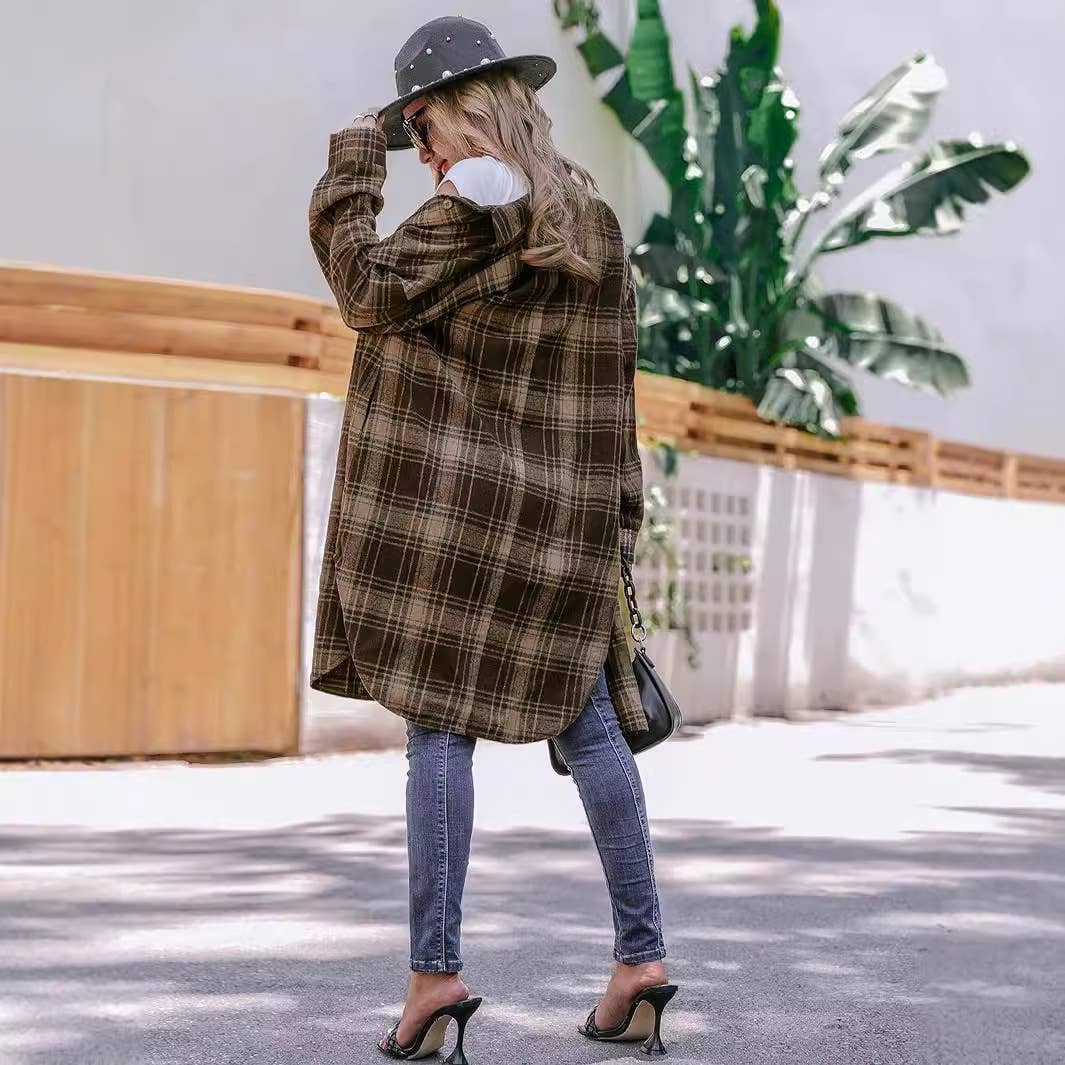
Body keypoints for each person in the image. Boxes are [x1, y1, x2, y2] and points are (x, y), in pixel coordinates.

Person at [307, 15, 678, 1062]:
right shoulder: (593, 220)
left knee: (437, 733)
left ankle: (435, 980)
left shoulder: (472, 202)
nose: (422, 154)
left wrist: (355, 158)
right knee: (592, 729)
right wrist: (617, 527)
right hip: (562, 529)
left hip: (454, 532)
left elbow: (365, 289)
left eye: (422, 128)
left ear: (466, 111)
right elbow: (612, 394)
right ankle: (641, 964)